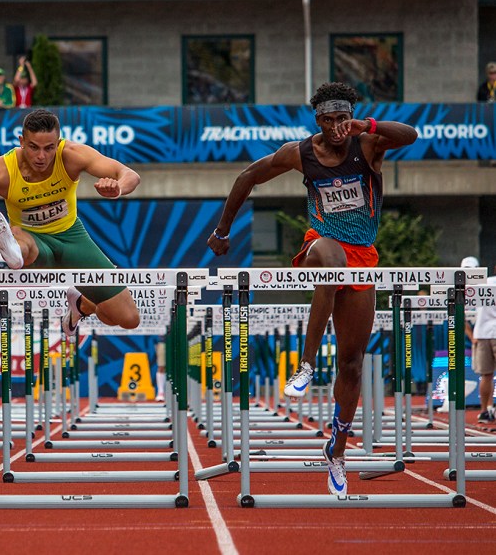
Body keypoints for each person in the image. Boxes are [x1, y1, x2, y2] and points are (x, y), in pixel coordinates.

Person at [207, 81, 418, 497]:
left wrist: (367, 124)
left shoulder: (370, 142)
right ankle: (305, 365)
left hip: (363, 256)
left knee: (353, 363)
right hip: (318, 246)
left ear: (351, 116)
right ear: (317, 120)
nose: (336, 126)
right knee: (331, 257)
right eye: (328, 119)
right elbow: (248, 175)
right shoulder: (301, 153)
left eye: (342, 118)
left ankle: (336, 449)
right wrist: (222, 230)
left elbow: (410, 135)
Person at [0, 109, 141, 337]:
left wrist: (118, 188)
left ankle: (81, 305)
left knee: (128, 319)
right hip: (34, 241)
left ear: (58, 143)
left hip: (72, 238)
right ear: (22, 142)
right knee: (21, 241)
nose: (41, 157)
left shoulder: (72, 155)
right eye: (34, 147)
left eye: (49, 148)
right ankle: (13, 251)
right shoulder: (1, 172)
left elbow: (128, 174)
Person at [464, 256, 496, 423]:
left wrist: (471, 335)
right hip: (483, 332)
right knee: (486, 375)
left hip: (483, 333)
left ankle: (485, 410)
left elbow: (458, 312)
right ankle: (487, 409)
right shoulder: (484, 283)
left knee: (486, 375)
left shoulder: (478, 285)